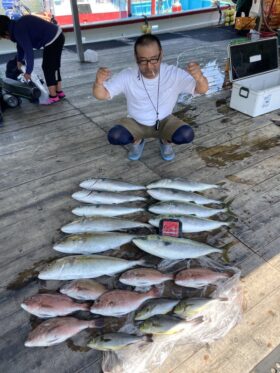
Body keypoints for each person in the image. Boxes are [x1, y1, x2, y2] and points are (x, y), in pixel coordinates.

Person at [92, 34, 208, 161]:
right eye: (143, 60)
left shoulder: (173, 73)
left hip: (164, 121)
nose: (149, 66)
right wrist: (98, 82)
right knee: (115, 136)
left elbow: (201, 89)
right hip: (135, 122)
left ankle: (166, 141)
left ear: (161, 54)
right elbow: (102, 95)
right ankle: (137, 141)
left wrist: (199, 78)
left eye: (154, 59)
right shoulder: (127, 75)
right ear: (136, 57)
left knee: (186, 134)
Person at [0, 14, 65, 104]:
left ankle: (53, 96)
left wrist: (28, 72)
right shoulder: (17, 25)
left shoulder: (18, 30)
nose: (5, 38)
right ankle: (59, 92)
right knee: (54, 66)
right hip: (58, 35)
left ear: (5, 32)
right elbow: (20, 45)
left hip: (52, 40)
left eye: (3, 37)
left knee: (47, 67)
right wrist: (19, 60)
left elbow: (29, 51)